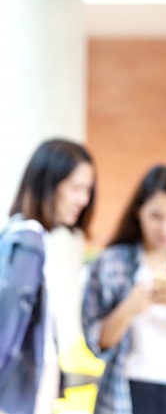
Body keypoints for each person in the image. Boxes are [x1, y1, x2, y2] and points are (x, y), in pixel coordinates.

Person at [82, 164, 166, 414]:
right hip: (126, 389)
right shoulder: (112, 262)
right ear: (138, 211)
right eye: (156, 216)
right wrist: (130, 307)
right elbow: (96, 343)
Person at [0, 138, 96, 414]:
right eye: (76, 188)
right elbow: (5, 330)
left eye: (87, 190)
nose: (83, 200)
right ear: (48, 183)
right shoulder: (29, 242)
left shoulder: (24, 235)